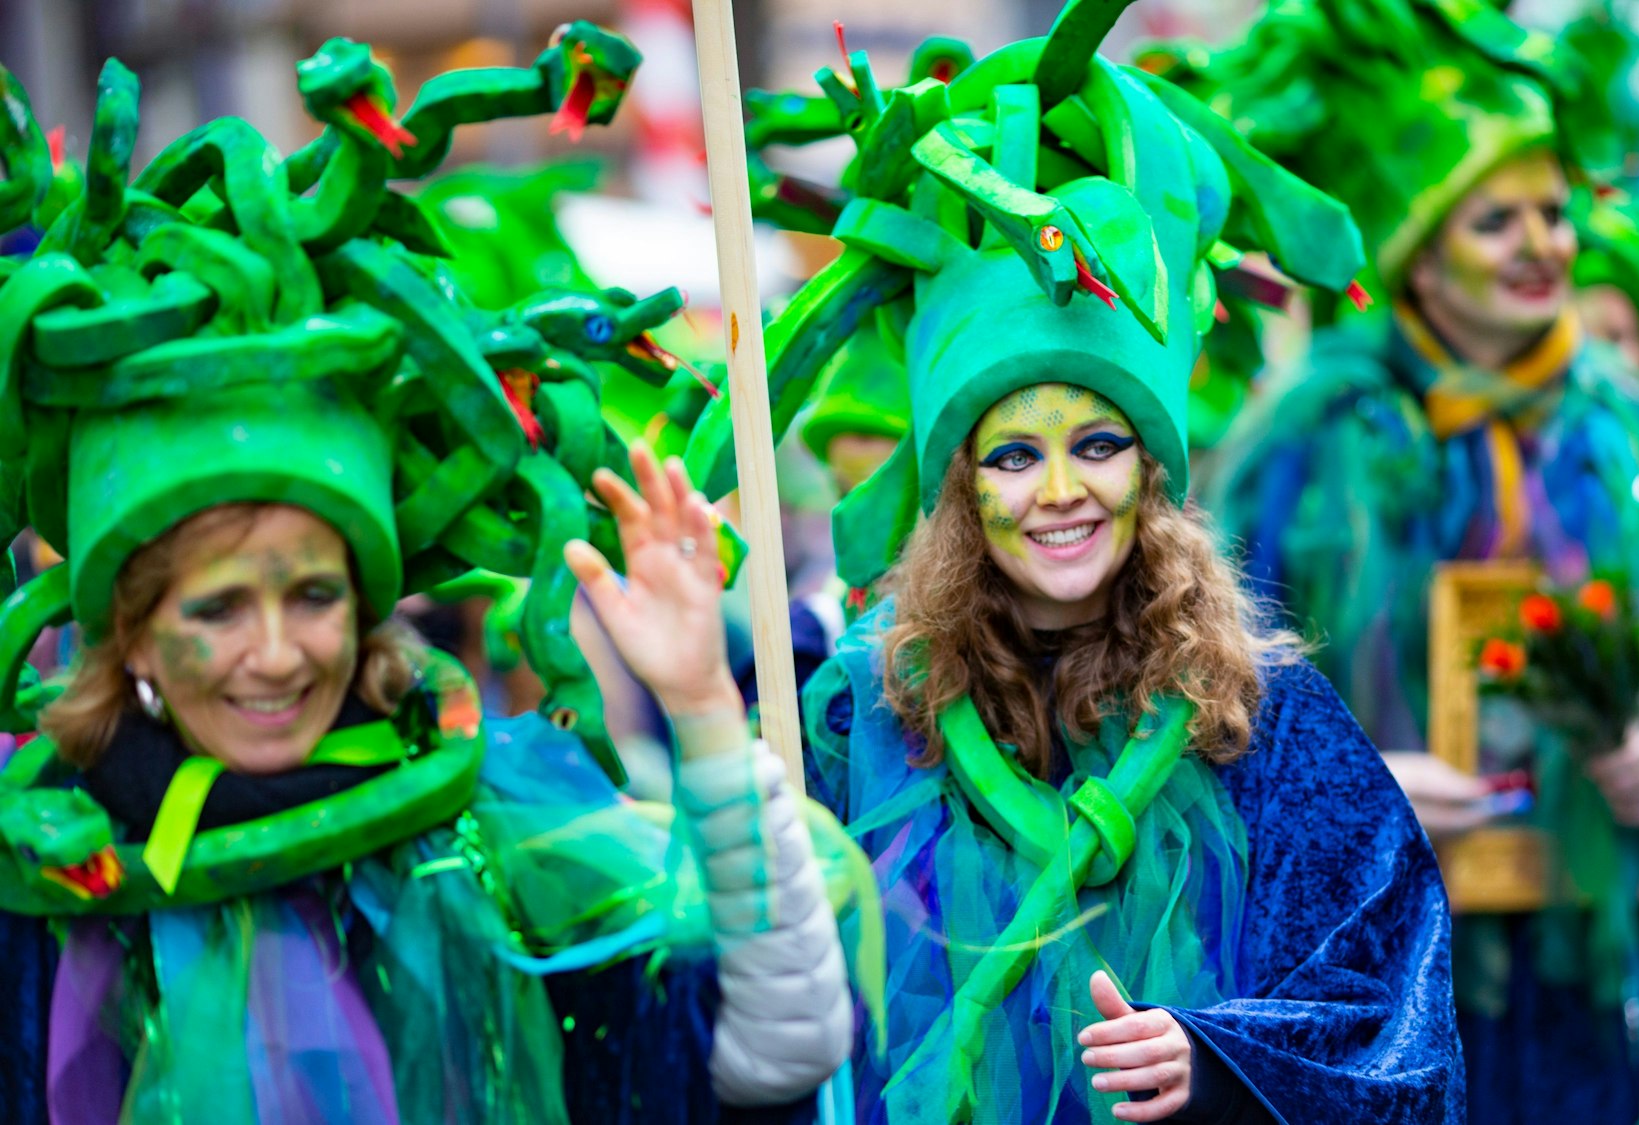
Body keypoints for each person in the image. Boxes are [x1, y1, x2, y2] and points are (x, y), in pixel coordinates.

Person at [0, 32, 864, 1123]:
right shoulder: (38, 875)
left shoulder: (487, 829)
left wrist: (698, 707)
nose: (277, 654)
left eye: (314, 596)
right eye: (217, 607)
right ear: (128, 627)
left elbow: (774, 1055)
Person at [670, 3, 1466, 1121]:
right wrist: (699, 703)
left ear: (1150, 473)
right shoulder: (860, 709)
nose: (1059, 491)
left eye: (1098, 445)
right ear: (961, 489)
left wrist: (1218, 1061)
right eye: (1013, 456)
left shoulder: (1262, 711)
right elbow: (761, 1000)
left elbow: (1389, 1012)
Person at [1181, 2, 1639, 1121]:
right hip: (1373, 979)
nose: (1540, 246)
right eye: (1493, 221)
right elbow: (1211, 707)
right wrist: (1357, 789)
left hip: (1599, 991)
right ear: (1418, 259)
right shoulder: (1302, 453)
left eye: (1553, 214)